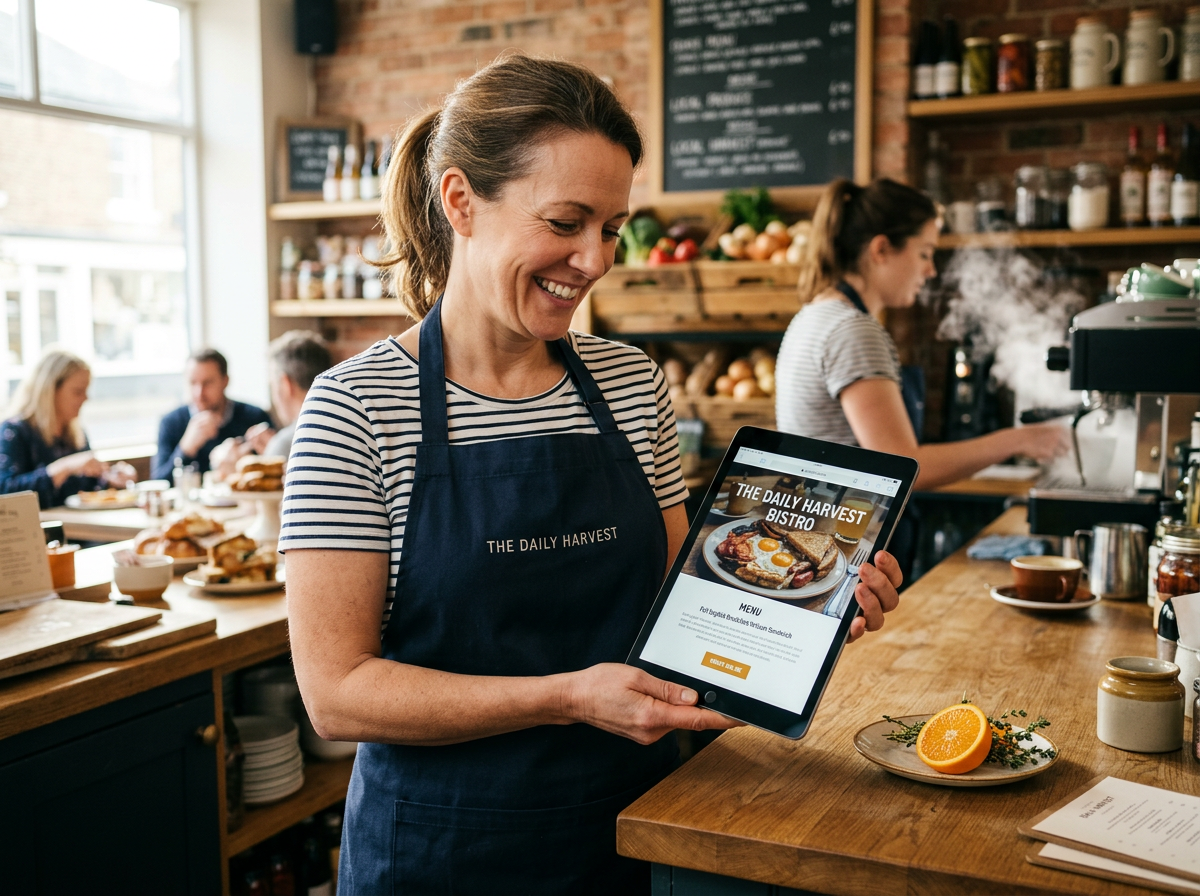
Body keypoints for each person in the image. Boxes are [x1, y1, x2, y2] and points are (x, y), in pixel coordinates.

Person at [282, 54, 903, 896]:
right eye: (566, 221)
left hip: (638, 825)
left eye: (611, 227)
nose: (593, 259)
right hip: (439, 850)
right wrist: (568, 696)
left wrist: (811, 609)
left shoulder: (628, 381)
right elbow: (338, 694)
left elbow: (684, 608)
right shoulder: (357, 407)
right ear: (461, 202)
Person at [774, 179, 1071, 571]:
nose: (930, 270)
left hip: (812, 539)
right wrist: (1019, 440)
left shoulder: (812, 316)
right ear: (881, 249)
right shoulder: (853, 330)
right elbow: (904, 466)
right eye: (925, 253)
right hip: (839, 552)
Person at [0, 348, 136, 509]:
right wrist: (64, 467)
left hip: (79, 527)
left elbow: (87, 490)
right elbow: (6, 493)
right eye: (78, 391)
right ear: (50, 391)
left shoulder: (75, 434)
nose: (86, 398)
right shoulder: (15, 431)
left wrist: (112, 478)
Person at [208, 331, 332, 477]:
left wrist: (237, 470)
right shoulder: (342, 427)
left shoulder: (288, 442)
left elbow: (267, 499)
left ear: (285, 384)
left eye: (272, 384)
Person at [152, 348, 273, 480]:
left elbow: (279, 472)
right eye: (193, 383)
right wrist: (185, 449)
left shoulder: (255, 417)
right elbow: (159, 481)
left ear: (225, 381)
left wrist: (251, 459)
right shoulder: (171, 422)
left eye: (207, 383)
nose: (199, 393)